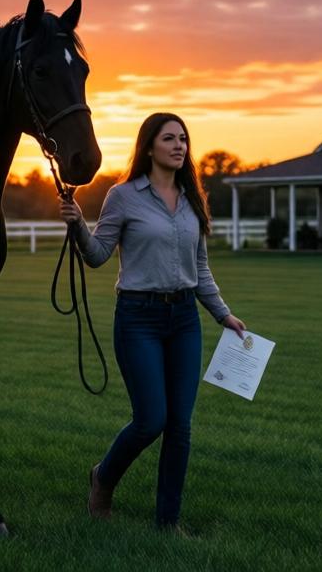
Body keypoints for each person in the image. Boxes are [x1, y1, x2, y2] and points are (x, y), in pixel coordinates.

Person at [59, 112, 247, 533]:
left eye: (183, 139)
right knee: (151, 419)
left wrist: (223, 313)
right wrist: (77, 228)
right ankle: (103, 477)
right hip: (138, 318)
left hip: (184, 320)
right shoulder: (123, 196)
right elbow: (98, 254)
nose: (180, 146)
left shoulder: (191, 198)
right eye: (169, 139)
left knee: (180, 426)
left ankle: (168, 522)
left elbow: (199, 269)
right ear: (148, 147)